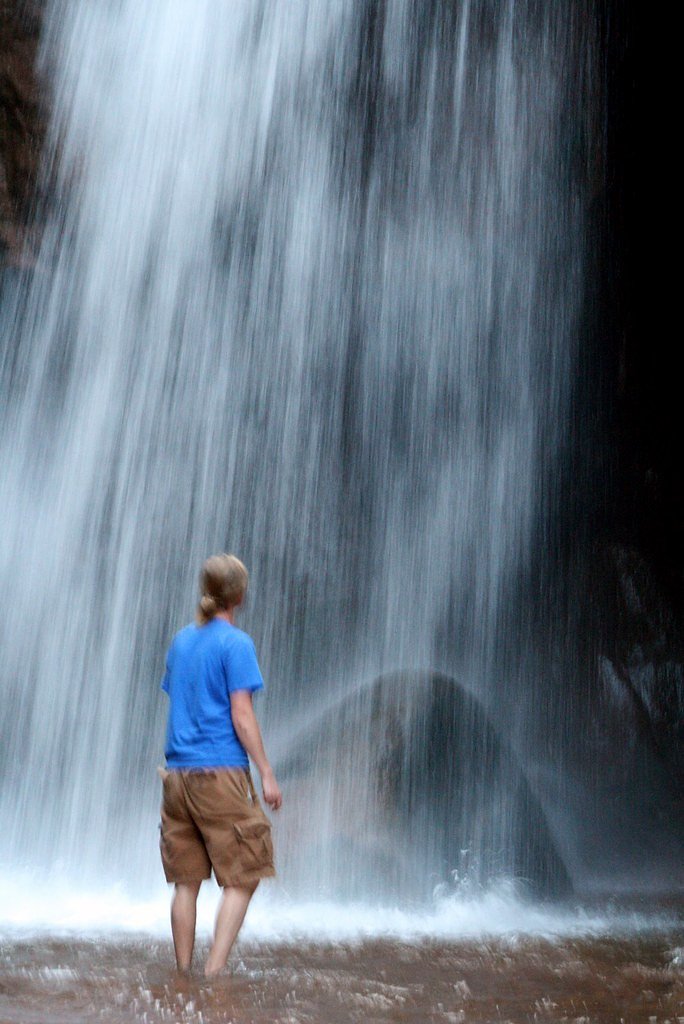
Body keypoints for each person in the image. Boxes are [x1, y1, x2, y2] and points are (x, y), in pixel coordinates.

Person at [159, 553, 282, 976]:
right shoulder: (236, 643)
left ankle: (182, 975)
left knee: (186, 883)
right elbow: (241, 714)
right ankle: (213, 973)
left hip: (177, 777)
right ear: (240, 596)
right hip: (220, 775)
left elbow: (181, 698)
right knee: (245, 873)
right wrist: (265, 771)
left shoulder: (180, 641)